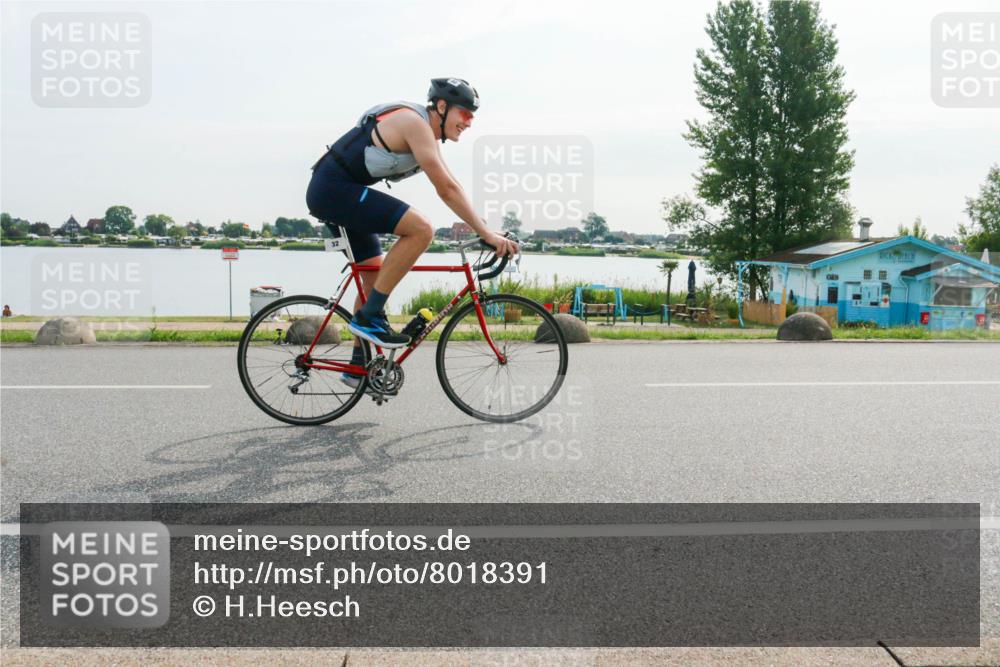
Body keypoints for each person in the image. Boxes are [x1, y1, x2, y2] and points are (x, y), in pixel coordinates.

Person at [306, 78, 519, 389]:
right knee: (421, 229)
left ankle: (356, 367)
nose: (469, 122)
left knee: (373, 279)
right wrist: (485, 233)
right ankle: (370, 317)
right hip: (333, 190)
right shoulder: (414, 123)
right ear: (442, 107)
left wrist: (487, 229)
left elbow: (453, 185)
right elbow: (445, 189)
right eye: (465, 114)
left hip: (342, 191)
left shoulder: (427, 134)